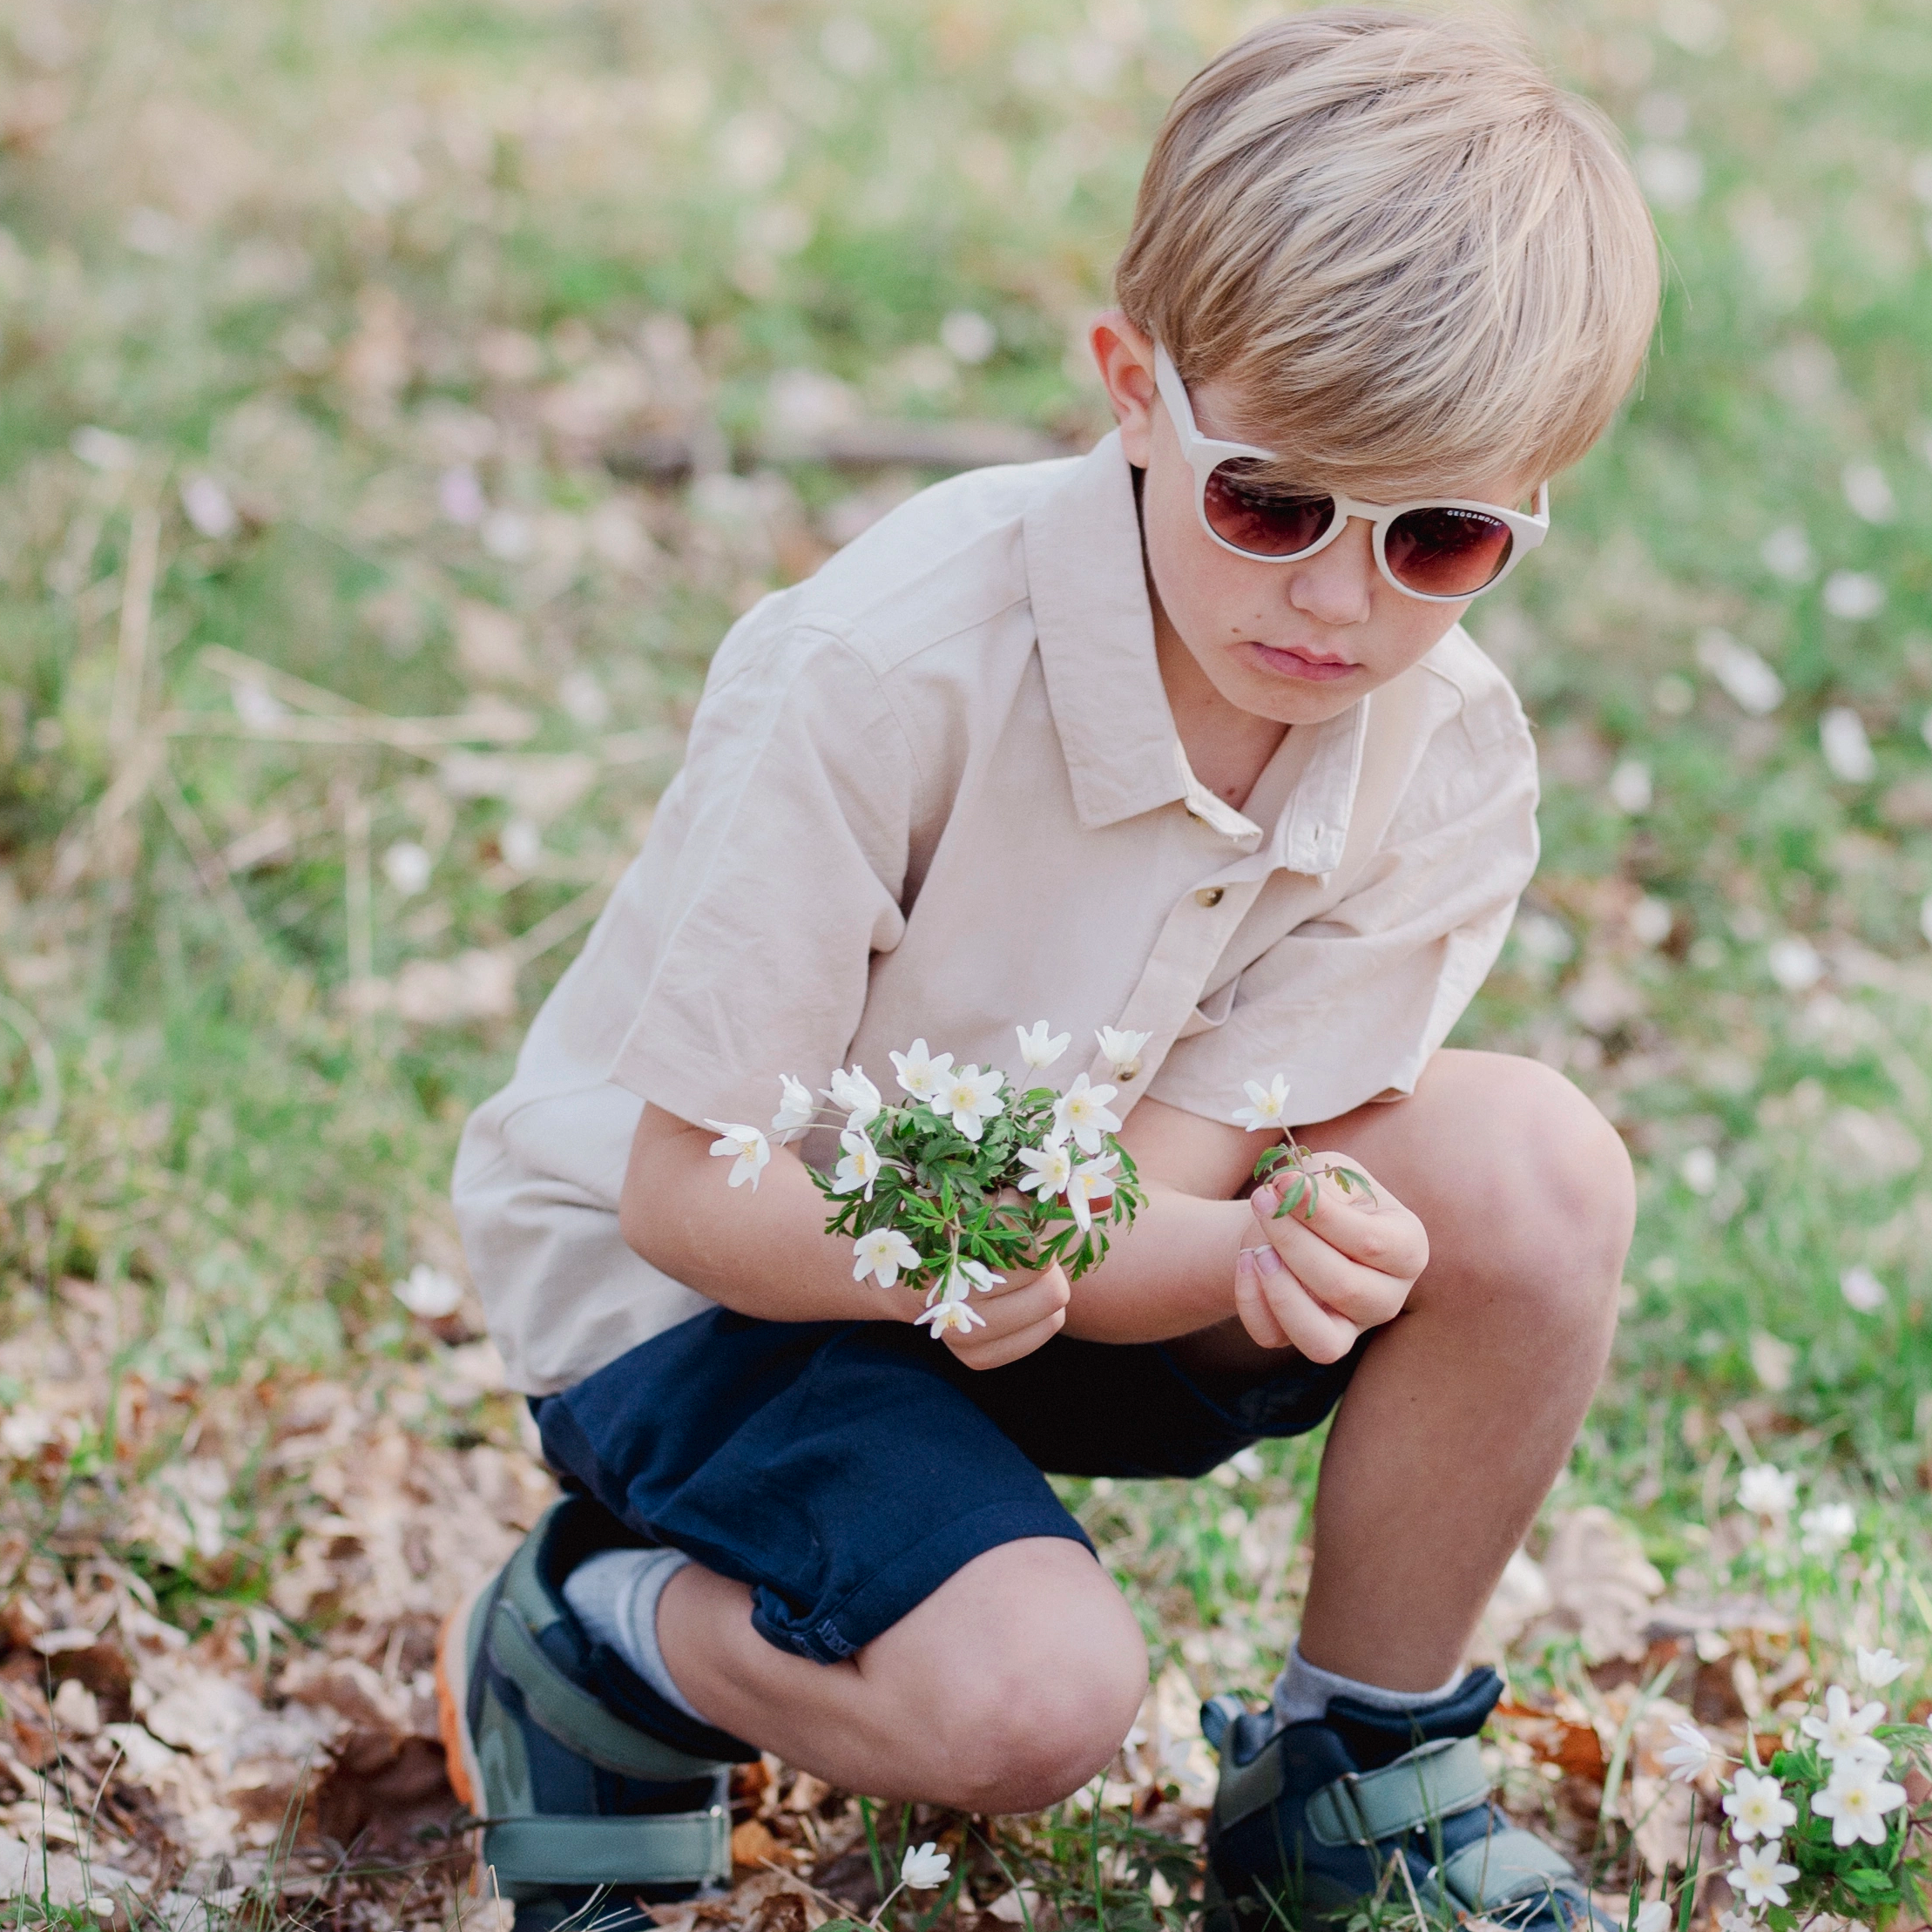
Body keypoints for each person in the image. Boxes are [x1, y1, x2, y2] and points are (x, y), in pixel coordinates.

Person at [439, 11, 1658, 1930]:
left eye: (1438, 536)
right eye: (1268, 503)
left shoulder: (1445, 748)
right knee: (1031, 1695)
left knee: (1529, 1170)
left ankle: (1354, 1773)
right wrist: (1055, 1249)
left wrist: (1275, 1245)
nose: (1337, 603)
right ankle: (592, 1631)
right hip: (700, 1280)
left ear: (1531, 504)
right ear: (1130, 392)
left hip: (1053, 1255)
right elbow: (686, 1188)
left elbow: (1136, 1206)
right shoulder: (887, 665)